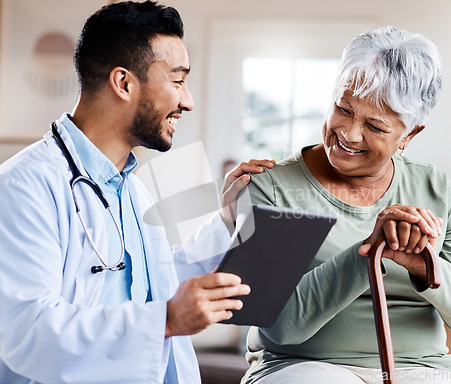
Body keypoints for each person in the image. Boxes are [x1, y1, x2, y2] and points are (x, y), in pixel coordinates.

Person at [0, 2, 274, 383]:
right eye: (177, 81)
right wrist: (165, 319)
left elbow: (155, 283)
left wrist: (226, 218)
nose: (188, 101)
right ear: (124, 83)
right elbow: (26, 332)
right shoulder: (23, 187)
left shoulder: (129, 185)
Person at [238, 26, 451, 384]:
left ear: (409, 135)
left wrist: (425, 265)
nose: (349, 133)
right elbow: (278, 326)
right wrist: (368, 253)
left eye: (375, 126)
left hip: (420, 369)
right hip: (303, 369)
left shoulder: (432, 185)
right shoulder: (272, 185)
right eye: (342, 109)